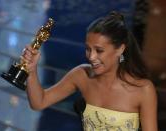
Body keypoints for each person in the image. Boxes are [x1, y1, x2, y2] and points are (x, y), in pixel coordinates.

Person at [21, 11, 158, 131]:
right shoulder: (81, 75)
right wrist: (32, 70)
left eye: (99, 50)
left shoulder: (143, 90)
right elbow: (39, 102)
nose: (91, 57)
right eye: (88, 49)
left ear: (120, 49)